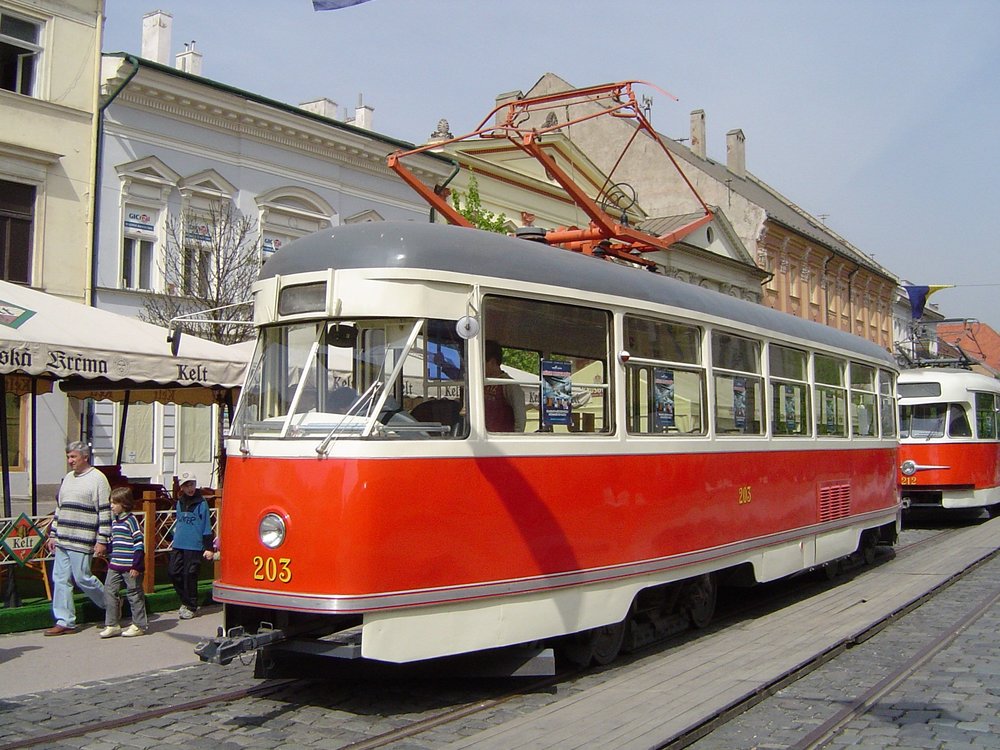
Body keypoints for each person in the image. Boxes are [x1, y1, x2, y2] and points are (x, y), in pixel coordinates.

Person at [44, 441, 111, 636]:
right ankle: (65, 621)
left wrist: (102, 539)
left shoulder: (98, 479)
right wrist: (53, 534)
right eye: (68, 457)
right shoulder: (67, 478)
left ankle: (111, 603)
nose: (70, 461)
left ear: (85, 457)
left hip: (83, 538)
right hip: (63, 537)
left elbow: (105, 511)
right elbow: (60, 508)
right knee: (60, 579)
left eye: (73, 457)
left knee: (82, 577)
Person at [100, 487, 148, 638]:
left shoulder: (131, 520)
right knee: (109, 591)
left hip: (130, 566)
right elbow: (115, 540)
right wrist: (107, 549)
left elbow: (139, 542)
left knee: (134, 594)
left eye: (114, 503)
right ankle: (112, 624)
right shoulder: (115, 521)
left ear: (124, 504)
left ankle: (139, 624)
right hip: (115, 564)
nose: (111, 506)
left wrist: (137, 565)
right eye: (111, 503)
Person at [168, 472, 214, 619]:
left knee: (190, 574)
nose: (190, 488)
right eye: (187, 485)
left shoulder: (201, 503)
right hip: (179, 543)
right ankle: (185, 601)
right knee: (173, 572)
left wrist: (208, 547)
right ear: (181, 487)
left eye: (192, 484)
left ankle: (191, 606)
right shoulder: (179, 502)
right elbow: (179, 523)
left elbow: (207, 525)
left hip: (194, 545)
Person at [484, 340, 526, 432]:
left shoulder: (509, 385)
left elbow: (520, 417)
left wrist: (514, 440)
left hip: (501, 440)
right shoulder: (482, 383)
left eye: (482, 363)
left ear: (492, 362)